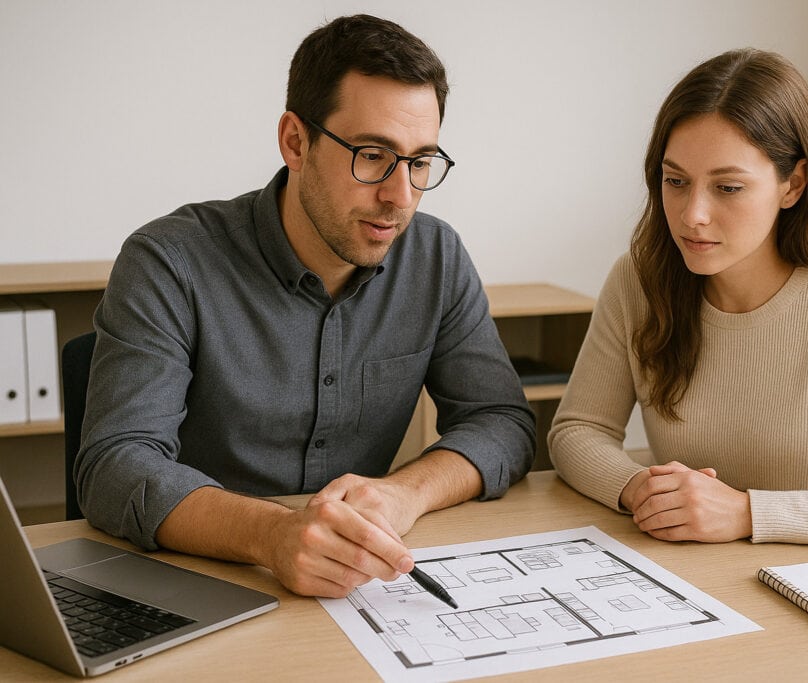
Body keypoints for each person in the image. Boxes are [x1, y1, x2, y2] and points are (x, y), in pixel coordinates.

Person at [75, 14, 535, 597]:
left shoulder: (436, 257)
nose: (400, 196)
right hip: (198, 578)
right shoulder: (169, 261)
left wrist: (404, 494)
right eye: (373, 155)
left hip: (351, 584)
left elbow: (502, 422)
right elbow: (115, 465)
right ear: (295, 141)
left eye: (420, 162)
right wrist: (271, 534)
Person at [548, 48, 808, 547]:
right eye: (676, 181)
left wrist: (747, 513)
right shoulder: (639, 282)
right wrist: (641, 489)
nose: (692, 215)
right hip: (690, 570)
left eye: (728, 187)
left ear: (793, 184)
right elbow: (577, 430)